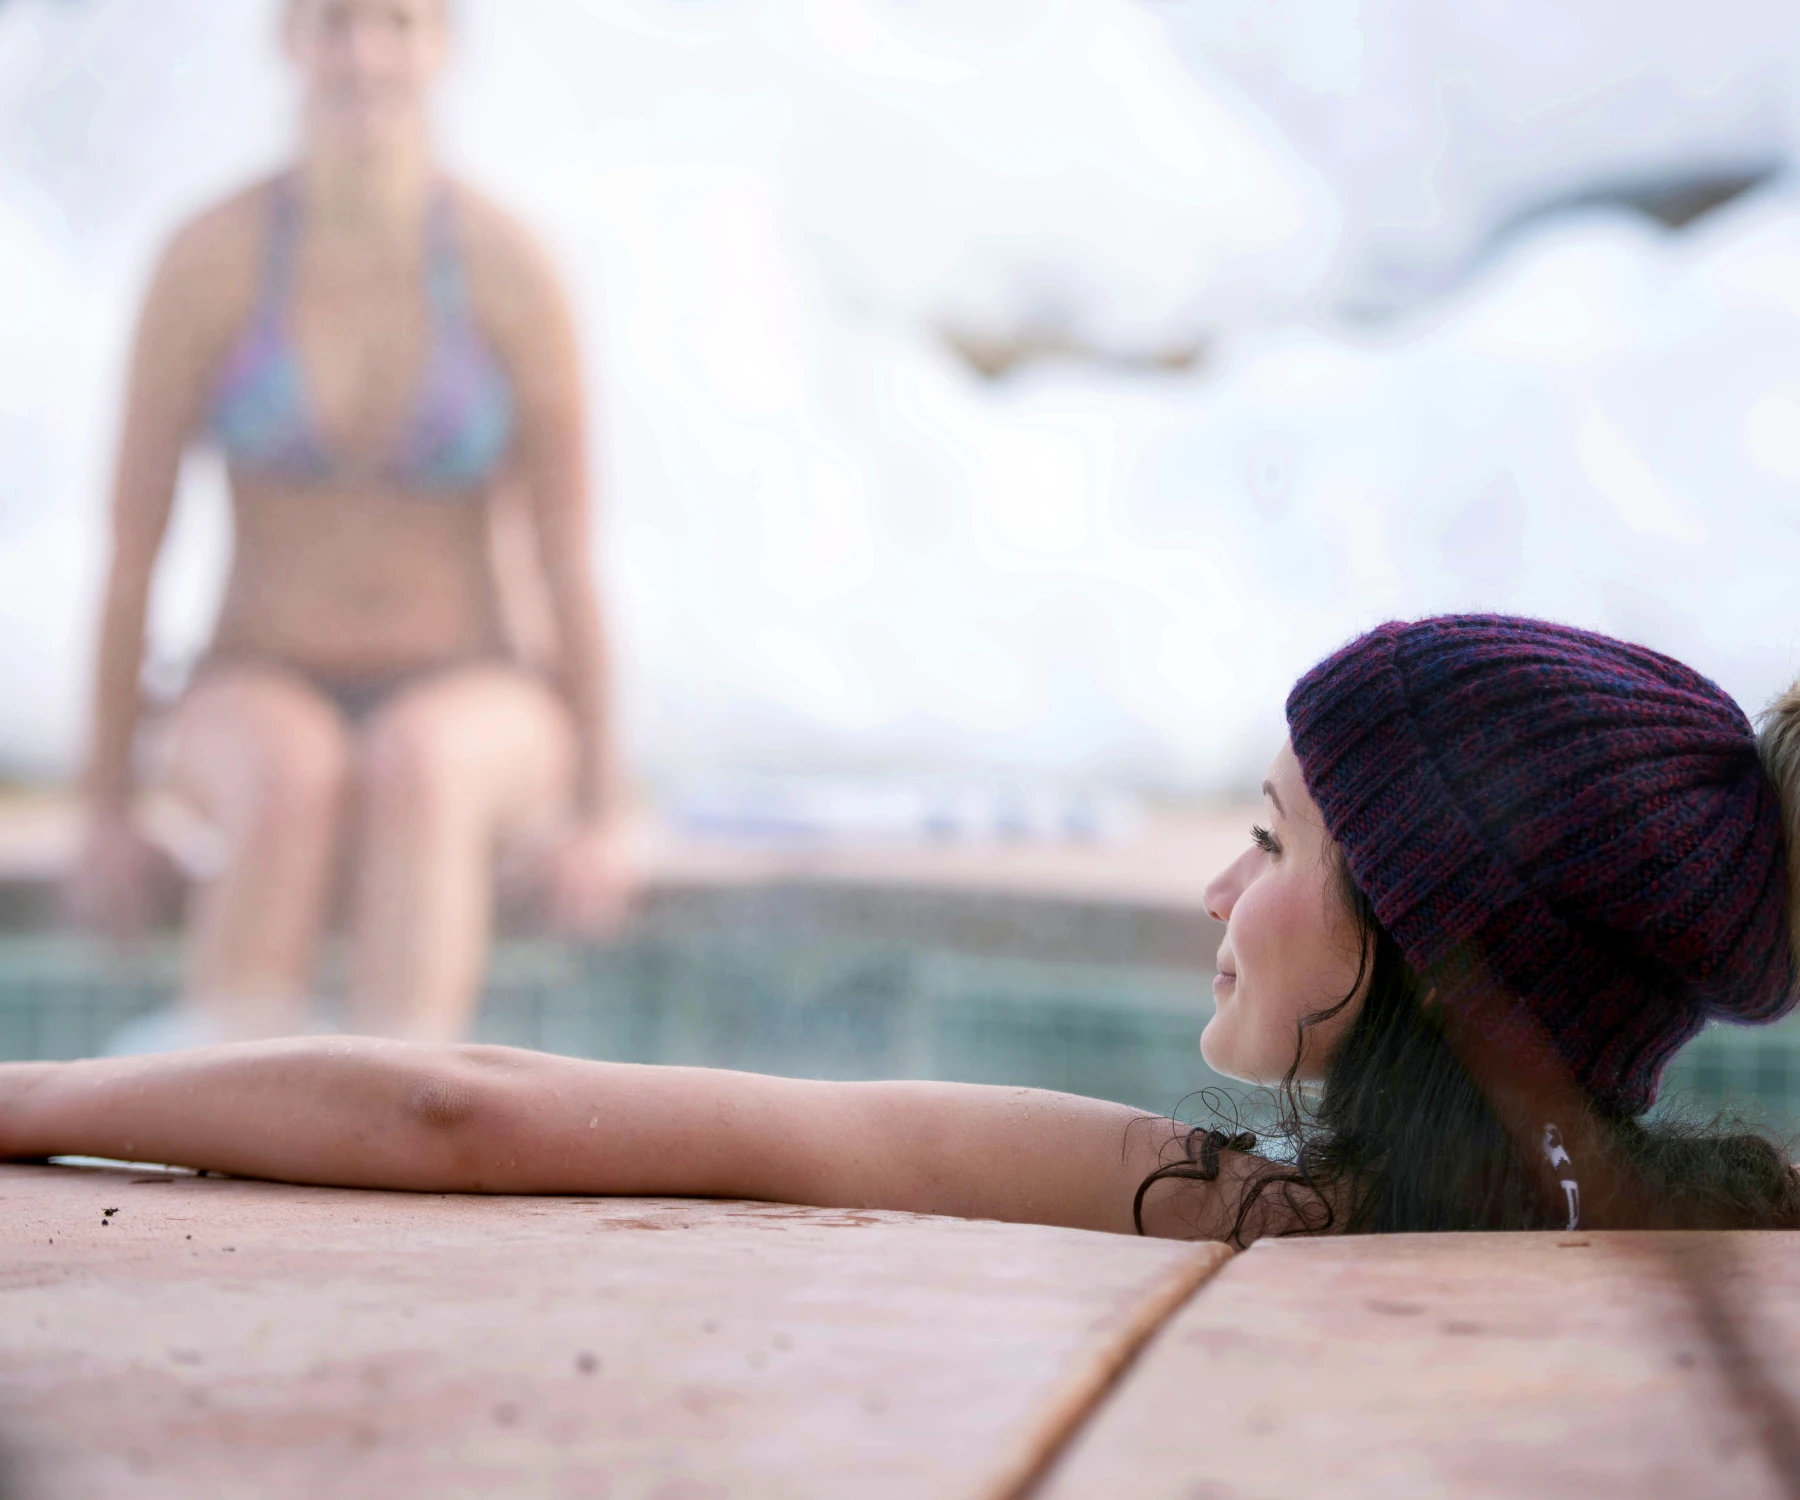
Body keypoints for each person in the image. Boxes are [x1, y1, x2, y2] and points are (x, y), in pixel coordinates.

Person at [23, 617, 1800, 1241]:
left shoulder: (1221, 1205)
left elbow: (460, 1110)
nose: (1214, 890)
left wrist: (25, 1099)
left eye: (1269, 844)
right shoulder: (1723, 1232)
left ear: (1431, 946)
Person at [66, 0, 629, 1047]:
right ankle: (217, 1133)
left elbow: (570, 559)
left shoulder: (509, 268)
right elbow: (132, 550)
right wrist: (104, 812)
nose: (364, 52)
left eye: (398, 22)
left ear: (443, 47)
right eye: (334, 21)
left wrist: (600, 819)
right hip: (257, 674)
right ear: (288, 40)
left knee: (420, 766)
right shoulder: (209, 261)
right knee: (293, 773)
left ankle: (404, 1123)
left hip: (471, 677)